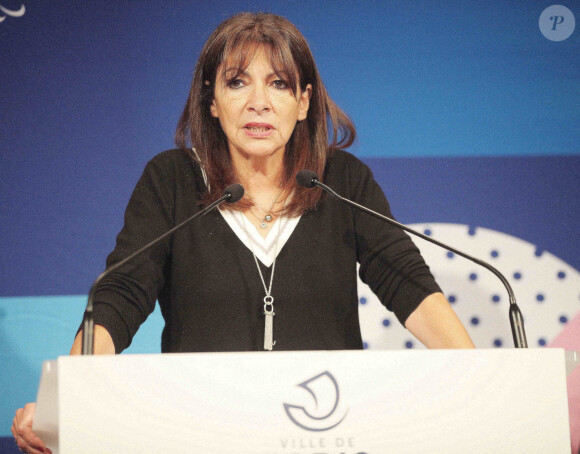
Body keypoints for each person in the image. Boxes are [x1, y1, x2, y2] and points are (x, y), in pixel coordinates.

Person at [12, 11, 474, 453]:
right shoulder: (173, 180)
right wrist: (64, 404)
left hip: (325, 436)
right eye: (237, 82)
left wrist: (482, 379)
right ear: (211, 101)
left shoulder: (341, 181)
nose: (259, 102)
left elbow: (408, 283)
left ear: (304, 102)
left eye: (279, 84)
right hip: (202, 434)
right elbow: (121, 297)